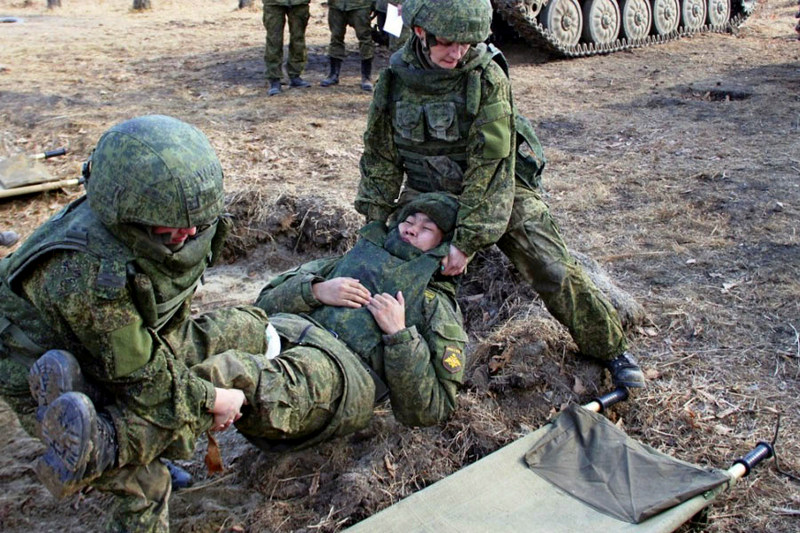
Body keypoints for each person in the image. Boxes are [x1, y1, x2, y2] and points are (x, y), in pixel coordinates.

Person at [0, 115, 272, 531]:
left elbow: (165, 310)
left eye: (196, 221)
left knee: (191, 361)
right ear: (127, 212)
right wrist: (215, 401)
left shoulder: (181, 226)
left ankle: (127, 437)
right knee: (146, 485)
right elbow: (147, 382)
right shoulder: (87, 274)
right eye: (172, 225)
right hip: (31, 359)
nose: (190, 232)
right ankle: (103, 443)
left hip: (111, 341)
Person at [355, 0, 646, 389]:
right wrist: (375, 219)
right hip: (427, 192)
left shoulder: (487, 77)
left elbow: (490, 166)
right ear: (421, 33)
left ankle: (609, 347)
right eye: (446, 42)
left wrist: (468, 240)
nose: (457, 53)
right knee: (387, 264)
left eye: (466, 43)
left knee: (551, 266)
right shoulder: (396, 79)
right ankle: (383, 364)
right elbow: (381, 154)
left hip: (497, 190)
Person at [246, 191, 467, 449]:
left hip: (335, 370)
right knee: (222, 333)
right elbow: (262, 306)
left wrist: (400, 336)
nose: (412, 230)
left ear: (444, 247)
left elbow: (432, 409)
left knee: (258, 386)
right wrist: (315, 291)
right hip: (282, 336)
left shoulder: (434, 304)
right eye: (409, 221)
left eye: (427, 228)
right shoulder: (352, 260)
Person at [320, 0, 375, 91]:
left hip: (360, 5)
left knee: (365, 39)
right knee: (336, 37)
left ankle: (366, 77)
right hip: (336, 5)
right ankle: (333, 74)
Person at [262, 0, 312, 96]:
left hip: (299, 3)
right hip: (274, 3)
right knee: (274, 40)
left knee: (298, 39)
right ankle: (274, 79)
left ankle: (295, 75)